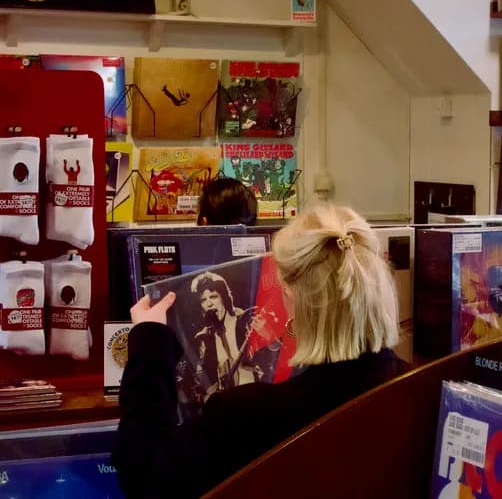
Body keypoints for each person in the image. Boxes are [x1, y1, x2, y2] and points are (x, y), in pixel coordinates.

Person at [112, 203, 409, 498]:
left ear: (293, 299)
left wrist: (149, 342)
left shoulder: (245, 416)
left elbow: (145, 476)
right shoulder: (422, 387)